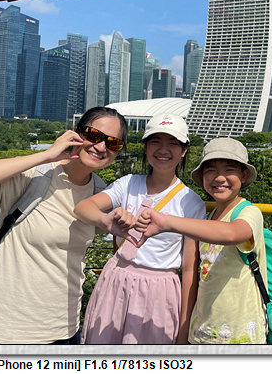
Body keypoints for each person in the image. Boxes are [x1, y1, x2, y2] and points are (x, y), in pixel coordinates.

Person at [0, 107, 129, 345]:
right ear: (75, 133)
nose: (101, 147)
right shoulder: (36, 176)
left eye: (113, 143)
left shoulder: (100, 193)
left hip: (60, 327)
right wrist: (47, 155)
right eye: (93, 135)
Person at [74, 113, 206, 344]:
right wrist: (106, 221)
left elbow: (188, 271)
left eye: (173, 143)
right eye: (155, 141)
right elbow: (83, 207)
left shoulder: (191, 203)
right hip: (116, 280)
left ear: (184, 150)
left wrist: (183, 332)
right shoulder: (128, 184)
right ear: (145, 147)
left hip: (159, 291)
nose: (163, 149)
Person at [136, 137, 267, 344]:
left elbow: (233, 233)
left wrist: (168, 222)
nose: (220, 177)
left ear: (244, 175)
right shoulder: (208, 218)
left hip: (240, 336)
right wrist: (185, 333)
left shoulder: (249, 212)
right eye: (211, 170)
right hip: (203, 332)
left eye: (229, 169)